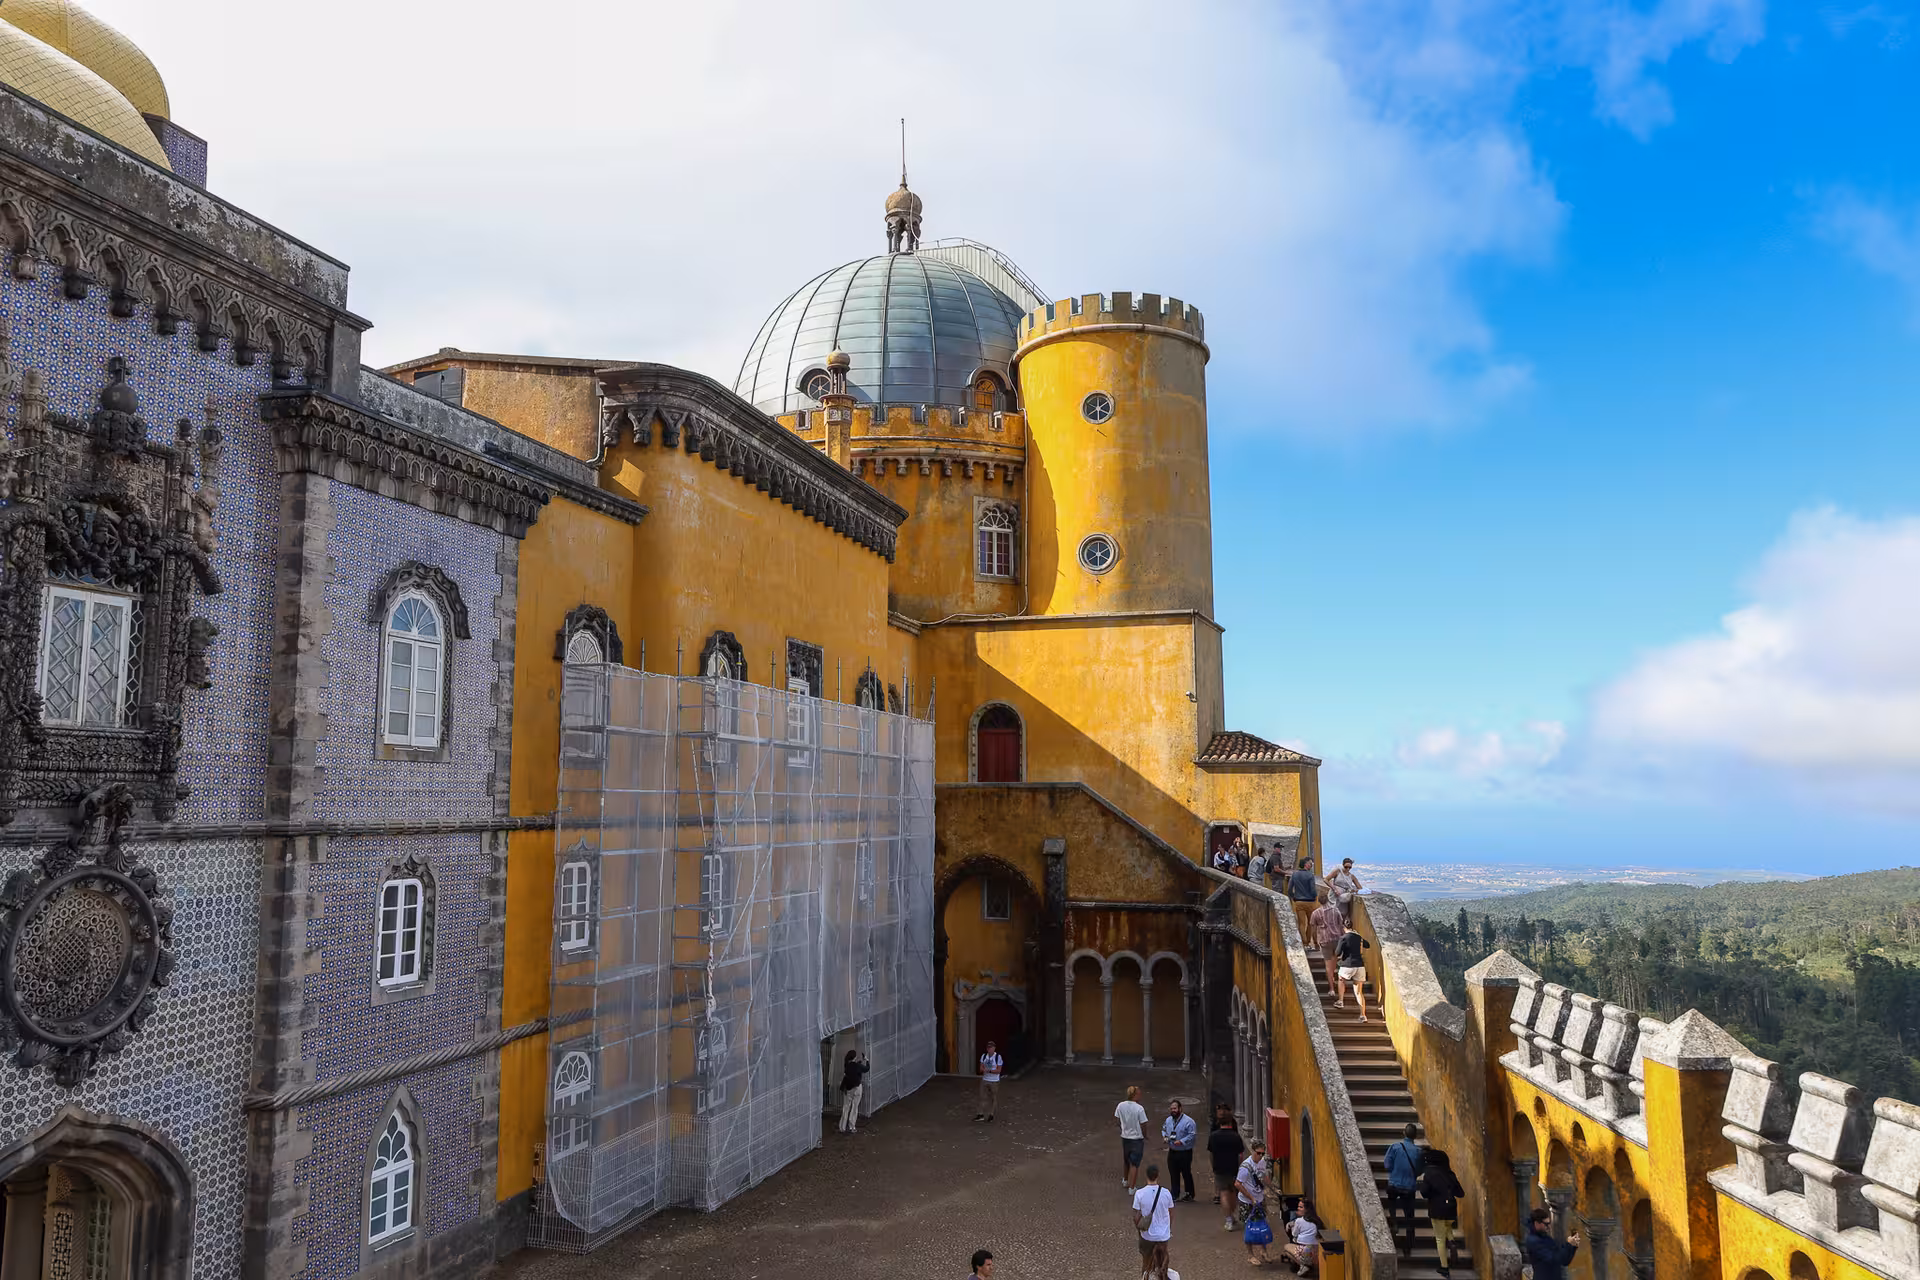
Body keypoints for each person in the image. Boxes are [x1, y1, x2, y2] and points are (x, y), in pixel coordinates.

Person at [1421, 1146, 1467, 1276]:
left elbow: (1424, 1193)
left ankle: (1444, 1268)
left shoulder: (1429, 1174)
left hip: (1437, 1210)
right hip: (1451, 1209)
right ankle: (1452, 1242)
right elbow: (1460, 1193)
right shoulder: (1450, 1173)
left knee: (1440, 1239)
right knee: (1447, 1226)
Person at [1382, 1122, 1423, 1257]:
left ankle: (1394, 1221)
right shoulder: (1418, 1152)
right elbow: (1419, 1170)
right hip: (1409, 1188)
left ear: (1403, 1133)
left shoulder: (1395, 1147)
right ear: (1415, 1136)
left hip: (1394, 1185)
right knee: (1409, 1216)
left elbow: (1387, 1165)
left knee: (1392, 1202)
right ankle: (1408, 1247)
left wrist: (1396, 1170)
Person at [1132, 1163, 1174, 1280]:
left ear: (1146, 1176)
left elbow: (1136, 1216)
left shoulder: (1139, 1194)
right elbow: (1171, 1213)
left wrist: (1139, 1230)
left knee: (1146, 1263)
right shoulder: (1166, 1193)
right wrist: (1168, 1228)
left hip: (1147, 1236)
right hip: (1163, 1236)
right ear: (1157, 1176)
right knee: (1162, 1264)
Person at [1208, 1114, 1248, 1230]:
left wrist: (1213, 1166)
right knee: (1233, 1193)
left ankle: (1229, 1220)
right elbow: (1240, 1155)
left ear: (1219, 1123)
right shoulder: (1236, 1137)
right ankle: (1232, 1215)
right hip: (1234, 1168)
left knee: (1223, 1193)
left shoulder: (1213, 1136)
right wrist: (1240, 1167)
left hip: (1219, 1168)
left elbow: (1211, 1153)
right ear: (1230, 1123)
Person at [1525, 1206, 1581, 1280]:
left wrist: (1573, 1246)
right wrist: (1568, 1244)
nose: (1548, 1227)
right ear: (1536, 1223)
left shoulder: (1545, 1238)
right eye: (1546, 1224)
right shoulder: (1533, 1241)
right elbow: (1554, 1259)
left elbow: (1564, 1261)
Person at [1308, 894, 1346, 994]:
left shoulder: (1315, 913)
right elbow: (1341, 926)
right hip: (1337, 939)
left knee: (1328, 966)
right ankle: (1335, 981)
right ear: (1328, 900)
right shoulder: (1336, 910)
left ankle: (1332, 988)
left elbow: (1313, 929)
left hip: (1325, 941)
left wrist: (1315, 942)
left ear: (1319, 901)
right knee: (1334, 962)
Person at [1334, 923, 1372, 1022]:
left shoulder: (1344, 938)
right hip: (1360, 965)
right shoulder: (1358, 936)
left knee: (1341, 979)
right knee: (1359, 992)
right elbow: (1367, 945)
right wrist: (1359, 937)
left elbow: (1337, 952)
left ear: (1343, 927)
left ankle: (1340, 1001)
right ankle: (1363, 1015)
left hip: (1347, 964)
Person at [1117, 1084, 1150, 1193]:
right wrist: (1145, 1135)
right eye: (1139, 1093)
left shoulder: (1121, 1105)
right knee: (1135, 1163)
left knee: (1126, 1160)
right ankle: (1132, 1187)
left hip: (1125, 1137)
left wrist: (1123, 1128)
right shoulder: (1139, 1108)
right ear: (1135, 1095)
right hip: (1136, 1138)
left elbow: (1117, 1119)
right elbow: (1143, 1123)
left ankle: (1125, 1180)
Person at [1162, 1099, 1198, 1201]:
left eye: (1175, 1108)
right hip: (1172, 1151)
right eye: (1171, 1108)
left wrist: (1182, 1141)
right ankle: (1174, 1193)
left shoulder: (1189, 1122)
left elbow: (1192, 1135)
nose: (1173, 1110)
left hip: (1184, 1152)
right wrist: (1164, 1136)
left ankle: (1189, 1193)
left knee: (1186, 1173)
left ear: (1180, 1109)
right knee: (1173, 1173)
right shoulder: (1168, 1120)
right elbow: (1163, 1128)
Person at [1236, 1139, 1270, 1235]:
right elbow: (1238, 1184)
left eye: (1262, 1154)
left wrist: (1271, 1187)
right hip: (1247, 1202)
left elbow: (1263, 1175)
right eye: (1258, 1153)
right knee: (1249, 1227)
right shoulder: (1245, 1167)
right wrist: (1251, 1198)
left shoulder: (1262, 1162)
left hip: (1259, 1199)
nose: (1260, 1156)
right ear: (1253, 1151)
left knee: (1261, 1223)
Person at [1282, 1197, 1322, 1276]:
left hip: (1305, 1251)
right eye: (1298, 1206)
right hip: (1316, 1253)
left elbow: (1294, 1234)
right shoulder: (1317, 1220)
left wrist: (1292, 1226)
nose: (1298, 1209)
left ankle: (1302, 1265)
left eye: (1301, 1207)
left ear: (1306, 1209)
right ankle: (1307, 1265)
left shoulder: (1299, 1221)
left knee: (1286, 1248)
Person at [1286, 857, 1319, 942]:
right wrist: (1315, 896)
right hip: (1310, 902)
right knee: (1310, 923)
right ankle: (1308, 941)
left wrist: (1293, 896)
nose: (1311, 865)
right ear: (1305, 865)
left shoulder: (1294, 874)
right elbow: (1312, 889)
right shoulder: (1310, 875)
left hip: (1299, 901)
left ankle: (1304, 942)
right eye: (1309, 864)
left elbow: (1289, 888)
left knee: (1301, 923)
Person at [838, 1048, 868, 1133]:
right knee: (855, 1107)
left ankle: (842, 1127)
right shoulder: (858, 1066)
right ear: (855, 1057)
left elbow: (853, 1068)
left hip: (848, 1089)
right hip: (857, 1088)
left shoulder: (847, 1066)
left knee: (846, 1107)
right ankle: (852, 1127)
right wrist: (866, 1060)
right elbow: (866, 1069)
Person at [975, 1039, 1003, 1122]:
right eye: (988, 1047)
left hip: (994, 1080)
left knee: (993, 1097)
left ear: (994, 1048)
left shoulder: (998, 1057)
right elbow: (981, 1068)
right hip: (985, 1079)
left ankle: (991, 1114)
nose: (990, 1049)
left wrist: (990, 1070)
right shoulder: (984, 1056)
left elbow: (999, 1070)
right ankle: (980, 1114)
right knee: (982, 1097)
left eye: (991, 1047)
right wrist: (984, 1070)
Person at [1328, 857, 1364, 923]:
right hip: (1335, 896)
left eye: (1350, 867)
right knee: (1332, 914)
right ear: (1343, 865)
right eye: (1346, 867)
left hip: (1344, 897)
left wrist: (1354, 890)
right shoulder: (1337, 871)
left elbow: (1360, 887)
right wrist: (1334, 889)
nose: (1348, 869)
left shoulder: (1351, 876)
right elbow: (1326, 880)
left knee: (1343, 914)